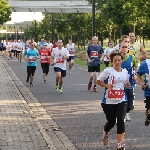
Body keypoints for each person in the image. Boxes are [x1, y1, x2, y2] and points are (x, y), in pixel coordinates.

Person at [97, 52, 130, 150]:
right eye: (115, 60)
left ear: (121, 61)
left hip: (121, 100)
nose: (117, 62)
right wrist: (107, 86)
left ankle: (120, 144)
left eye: (119, 60)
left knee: (121, 121)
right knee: (111, 122)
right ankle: (106, 132)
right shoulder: (108, 71)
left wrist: (128, 84)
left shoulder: (125, 72)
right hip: (108, 101)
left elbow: (126, 83)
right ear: (112, 61)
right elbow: (98, 81)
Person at [119, 41, 138, 122]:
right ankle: (119, 117)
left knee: (130, 101)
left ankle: (127, 113)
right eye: (123, 47)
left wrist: (136, 75)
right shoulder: (117, 57)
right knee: (120, 100)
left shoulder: (131, 57)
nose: (124, 49)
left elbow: (136, 65)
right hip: (119, 83)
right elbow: (111, 67)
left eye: (126, 47)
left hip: (130, 82)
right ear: (120, 48)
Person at [136, 58, 150, 126]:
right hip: (149, 91)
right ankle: (148, 114)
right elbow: (138, 75)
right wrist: (141, 83)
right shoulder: (146, 63)